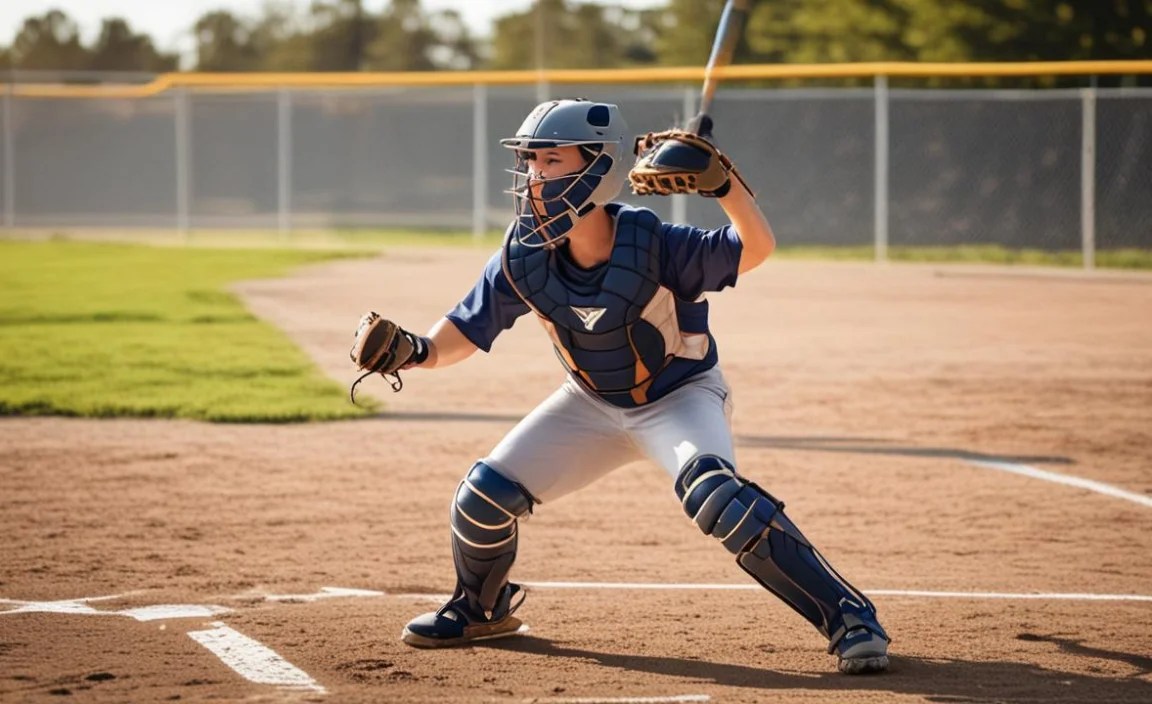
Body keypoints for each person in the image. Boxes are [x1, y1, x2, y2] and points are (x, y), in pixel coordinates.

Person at [356, 98, 890, 674]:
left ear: (597, 169)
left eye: (550, 160)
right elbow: (464, 328)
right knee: (482, 497)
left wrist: (723, 183)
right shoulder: (523, 253)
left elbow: (755, 249)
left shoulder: (656, 243)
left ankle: (850, 617)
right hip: (589, 404)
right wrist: (417, 351)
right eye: (530, 162)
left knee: (718, 497)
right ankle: (480, 608)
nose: (534, 176)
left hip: (680, 398)